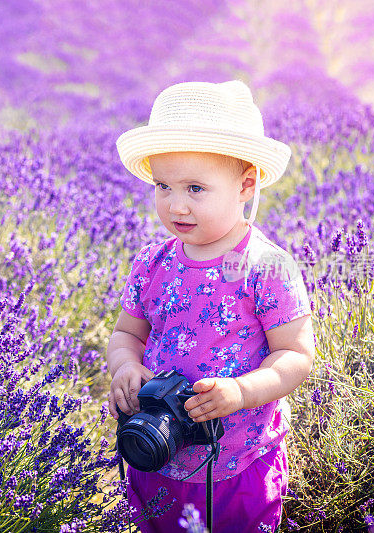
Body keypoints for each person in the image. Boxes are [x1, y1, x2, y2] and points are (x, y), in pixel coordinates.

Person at [107, 80, 316, 532]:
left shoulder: (266, 267)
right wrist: (124, 365)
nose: (175, 204)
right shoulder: (152, 263)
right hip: (158, 452)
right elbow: (127, 333)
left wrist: (242, 391)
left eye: (195, 188)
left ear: (246, 185)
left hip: (237, 462)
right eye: (163, 185)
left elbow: (296, 356)